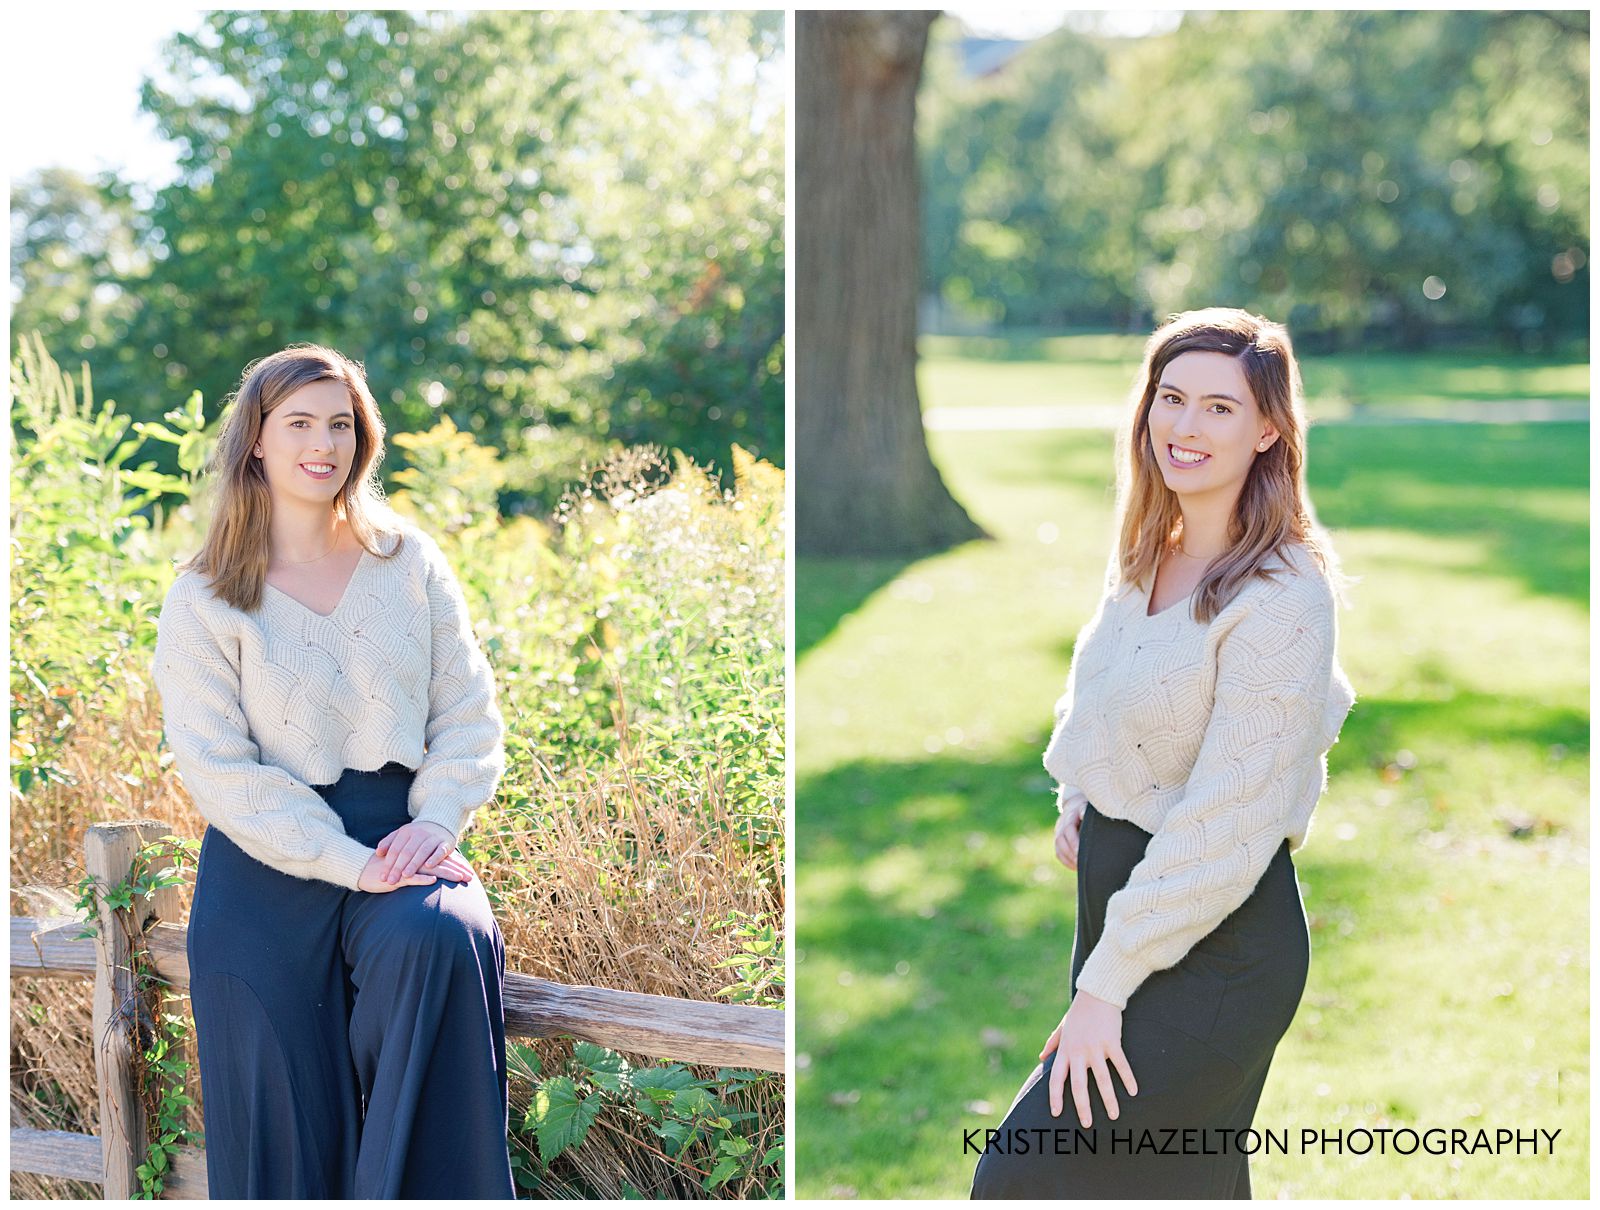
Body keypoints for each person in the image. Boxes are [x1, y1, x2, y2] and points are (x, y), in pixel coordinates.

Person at [970, 308, 1357, 1199]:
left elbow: (1229, 821)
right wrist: (1085, 798)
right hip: (1125, 910)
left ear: (1268, 430)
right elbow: (1108, 687)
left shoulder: (1284, 595)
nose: (1186, 427)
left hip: (1219, 943)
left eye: (1220, 409)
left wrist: (1103, 987)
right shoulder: (1154, 549)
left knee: (1019, 1181)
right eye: (1171, 398)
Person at [152, 344, 517, 1198]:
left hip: (407, 839)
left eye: (342, 424)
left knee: (443, 937)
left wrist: (433, 825)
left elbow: (467, 715)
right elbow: (218, 769)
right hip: (265, 863)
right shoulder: (204, 597)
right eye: (300, 423)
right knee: (284, 1132)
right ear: (256, 442)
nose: (324, 443)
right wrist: (351, 865)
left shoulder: (409, 564)